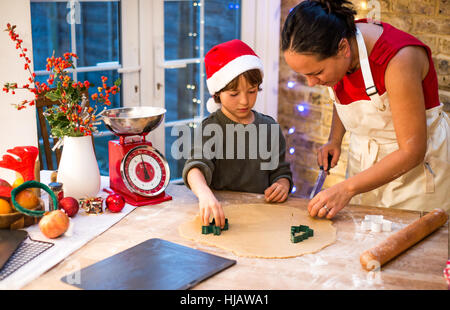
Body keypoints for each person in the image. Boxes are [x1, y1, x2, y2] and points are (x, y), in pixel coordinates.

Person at [281, 0, 450, 218]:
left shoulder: (398, 59)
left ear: (343, 48)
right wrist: (334, 140)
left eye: (317, 72)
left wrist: (347, 188)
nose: (311, 83)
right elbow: (342, 94)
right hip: (364, 167)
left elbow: (412, 152)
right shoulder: (340, 45)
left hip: (416, 177)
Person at [182, 39, 293, 228]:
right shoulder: (211, 128)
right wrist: (205, 194)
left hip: (262, 217)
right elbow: (195, 168)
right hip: (221, 213)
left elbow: (280, 172)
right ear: (217, 93)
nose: (244, 101)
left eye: (252, 91)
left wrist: (282, 185)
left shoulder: (269, 127)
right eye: (234, 94)